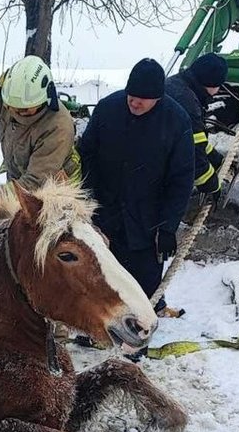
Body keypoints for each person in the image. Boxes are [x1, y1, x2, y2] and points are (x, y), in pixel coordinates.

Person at [78, 58, 195, 320]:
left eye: (143, 99)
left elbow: (181, 179)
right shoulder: (108, 109)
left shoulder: (176, 121)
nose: (135, 102)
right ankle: (97, 327)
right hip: (105, 212)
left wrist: (168, 227)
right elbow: (87, 156)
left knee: (142, 283)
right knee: (102, 278)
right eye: (132, 95)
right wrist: (87, 203)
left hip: (147, 220)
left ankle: (140, 331)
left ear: (158, 97)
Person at [0, 55, 80, 206]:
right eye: (11, 108)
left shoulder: (58, 127)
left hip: (57, 192)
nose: (16, 113)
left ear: (45, 99)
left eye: (24, 110)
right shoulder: (12, 95)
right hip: (20, 182)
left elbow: (35, 183)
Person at [164, 52, 228, 197]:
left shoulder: (174, 84)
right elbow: (192, 153)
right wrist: (211, 185)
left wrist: (213, 157)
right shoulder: (189, 105)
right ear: (212, 84)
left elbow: (193, 139)